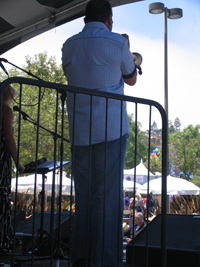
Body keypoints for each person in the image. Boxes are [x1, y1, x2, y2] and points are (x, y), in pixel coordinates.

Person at [62, 0, 137, 266]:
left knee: (84, 198)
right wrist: (126, 47)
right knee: (108, 199)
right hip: (111, 132)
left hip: (80, 133)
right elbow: (131, 78)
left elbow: (71, 75)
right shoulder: (117, 43)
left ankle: (81, 257)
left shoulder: (68, 45)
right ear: (109, 19)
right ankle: (106, 261)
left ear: (85, 18)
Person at [0, 84, 25, 250]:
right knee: (2, 197)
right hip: (1, 159)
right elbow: (9, 137)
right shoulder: (5, 110)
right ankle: (3, 239)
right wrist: (18, 161)